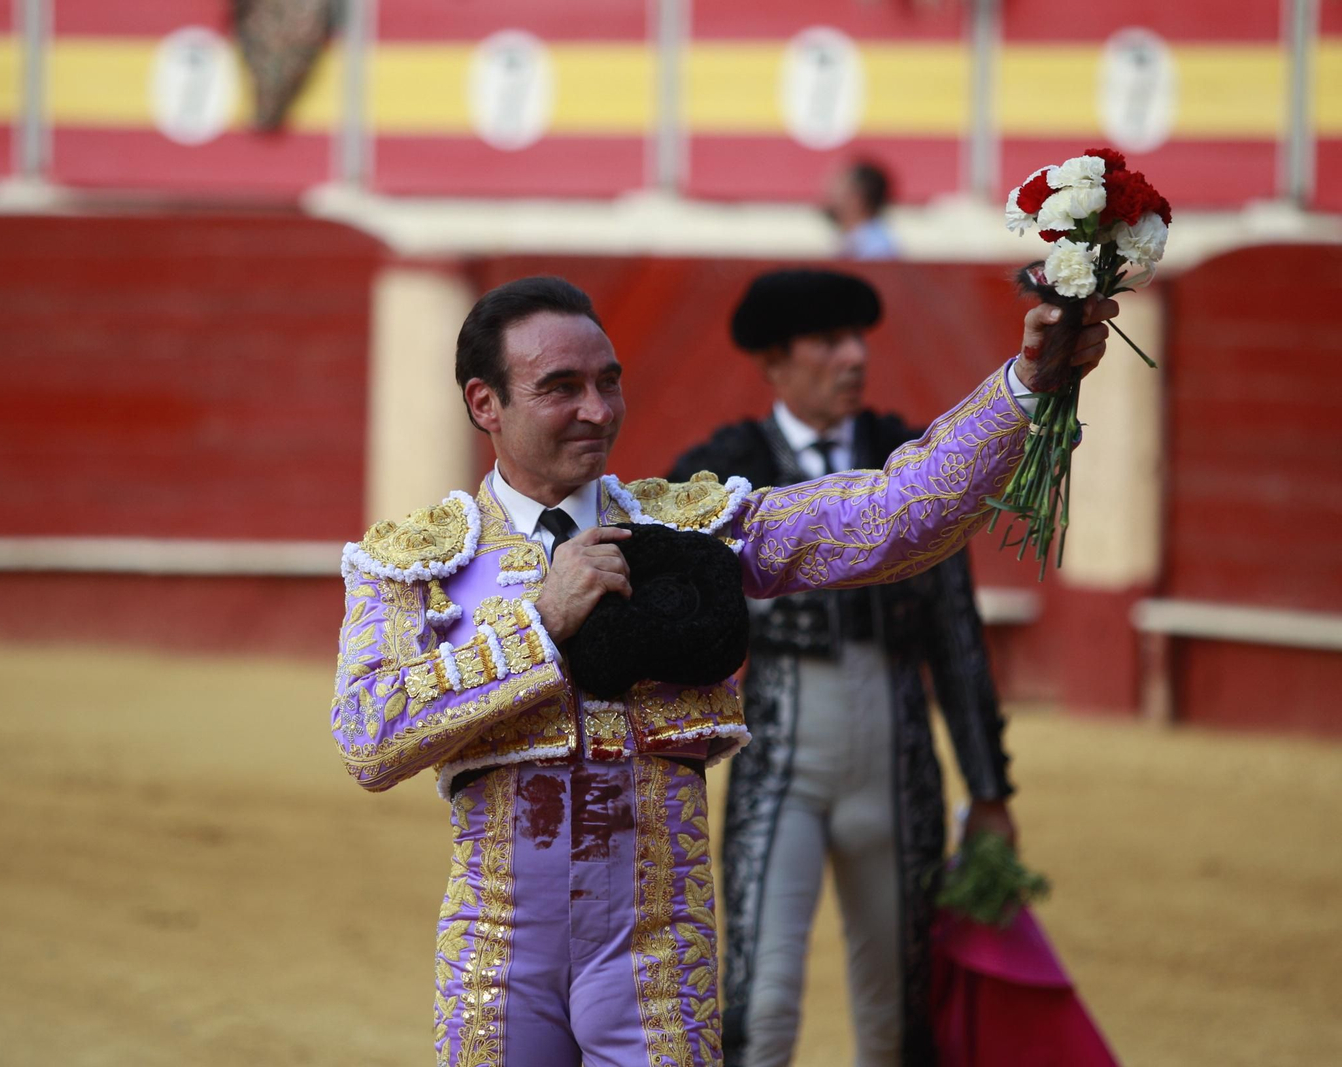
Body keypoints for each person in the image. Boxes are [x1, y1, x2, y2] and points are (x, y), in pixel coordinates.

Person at [328, 275, 1114, 1066]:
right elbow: (368, 735)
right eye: (561, 388)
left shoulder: (692, 528)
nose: (598, 411)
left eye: (608, 382)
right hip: (494, 958)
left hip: (656, 953)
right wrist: (542, 620)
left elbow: (892, 512)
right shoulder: (418, 562)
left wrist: (1025, 389)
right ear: (484, 403)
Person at [668, 270, 1018, 1067]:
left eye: (859, 340)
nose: (854, 357)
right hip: (778, 763)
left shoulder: (915, 460)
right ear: (774, 362)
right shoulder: (721, 469)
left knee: (900, 1014)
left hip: (898, 761)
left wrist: (990, 789)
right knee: (759, 1009)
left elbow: (955, 638)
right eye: (829, 342)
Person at [827, 160, 899, 260]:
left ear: (857, 198)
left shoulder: (877, 249)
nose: (830, 197)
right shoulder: (851, 240)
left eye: (839, 191)